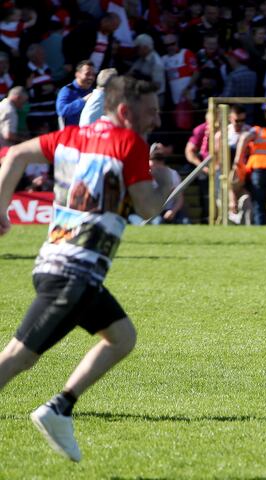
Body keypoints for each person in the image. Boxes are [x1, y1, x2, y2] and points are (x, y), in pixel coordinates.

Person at [0, 76, 172, 462]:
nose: (156, 119)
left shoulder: (73, 136)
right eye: (151, 112)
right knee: (18, 357)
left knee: (122, 337)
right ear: (125, 112)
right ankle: (55, 410)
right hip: (72, 272)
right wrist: (164, 179)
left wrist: (0, 208)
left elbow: (13, 156)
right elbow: (147, 208)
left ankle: (60, 407)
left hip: (62, 266)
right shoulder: (130, 143)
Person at [55, 60, 95, 127]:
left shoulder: (93, 91)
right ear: (77, 74)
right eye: (87, 74)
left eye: (93, 74)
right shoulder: (67, 90)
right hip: (71, 133)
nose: (91, 77)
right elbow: (61, 111)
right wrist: (83, 100)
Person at [129, 34, 165, 106]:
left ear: (145, 47)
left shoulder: (156, 62)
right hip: (144, 97)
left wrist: (141, 83)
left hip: (155, 99)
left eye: (138, 48)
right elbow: (131, 72)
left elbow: (157, 85)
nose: (136, 50)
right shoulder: (141, 59)